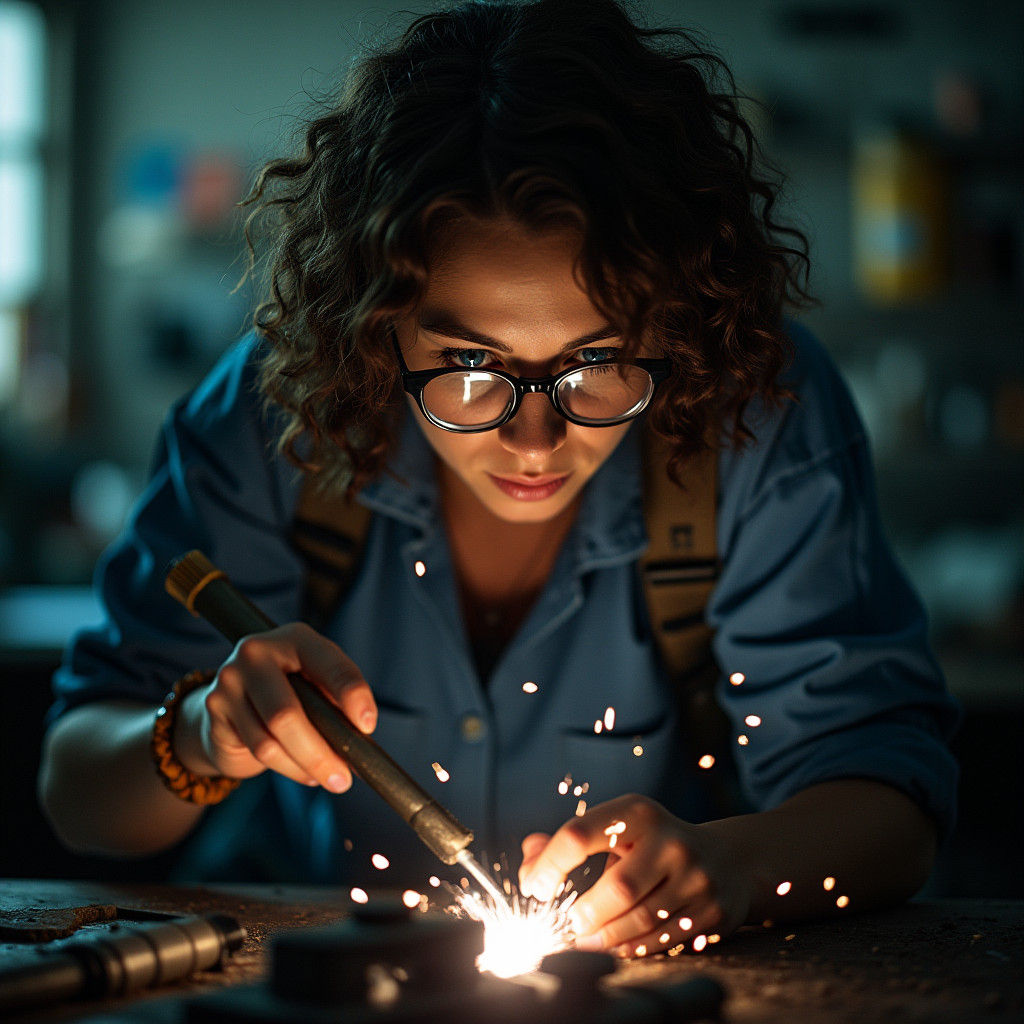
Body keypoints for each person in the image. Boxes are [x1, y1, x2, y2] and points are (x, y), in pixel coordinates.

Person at [39, 0, 958, 957]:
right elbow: (78, 792)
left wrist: (727, 867)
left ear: (673, 326)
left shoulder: (757, 412)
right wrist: (198, 735)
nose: (534, 439)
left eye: (596, 364)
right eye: (471, 371)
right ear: (375, 328)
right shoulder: (273, 419)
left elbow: (891, 805)